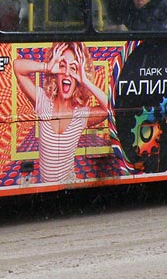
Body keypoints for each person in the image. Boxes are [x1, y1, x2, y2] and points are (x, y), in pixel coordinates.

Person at [14, 42, 112, 184]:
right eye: (62, 66)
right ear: (55, 75)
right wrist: (46, 67)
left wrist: (85, 81)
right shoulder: (42, 102)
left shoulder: (81, 116)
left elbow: (110, 109)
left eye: (73, 68)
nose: (66, 73)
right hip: (46, 191)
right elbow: (17, 66)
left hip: (70, 189)